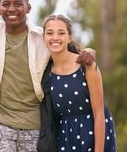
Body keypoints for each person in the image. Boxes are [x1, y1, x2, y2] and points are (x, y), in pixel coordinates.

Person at [0, 0, 95, 151]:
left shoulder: (42, 37)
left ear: (28, 8)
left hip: (34, 125)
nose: (11, 9)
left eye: (18, 4)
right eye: (6, 4)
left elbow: (73, 51)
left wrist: (89, 51)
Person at [42, 14, 116, 152]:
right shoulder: (46, 71)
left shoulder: (86, 64)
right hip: (65, 136)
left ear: (69, 37)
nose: (55, 38)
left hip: (93, 132)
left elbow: (99, 113)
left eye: (61, 33)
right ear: (43, 37)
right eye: (50, 33)